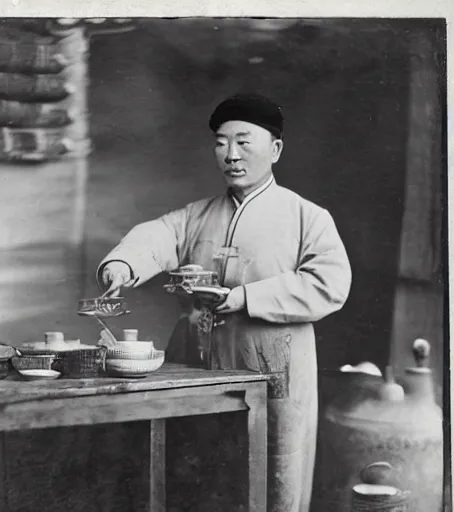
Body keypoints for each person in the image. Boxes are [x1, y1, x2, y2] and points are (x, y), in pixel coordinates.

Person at [97, 93, 352, 512]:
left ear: (275, 149)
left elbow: (329, 283)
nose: (231, 154)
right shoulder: (198, 214)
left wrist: (243, 298)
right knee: (197, 472)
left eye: (243, 141)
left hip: (272, 368)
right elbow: (157, 236)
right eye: (221, 142)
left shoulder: (307, 216)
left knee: (273, 477)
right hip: (197, 366)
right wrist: (123, 266)